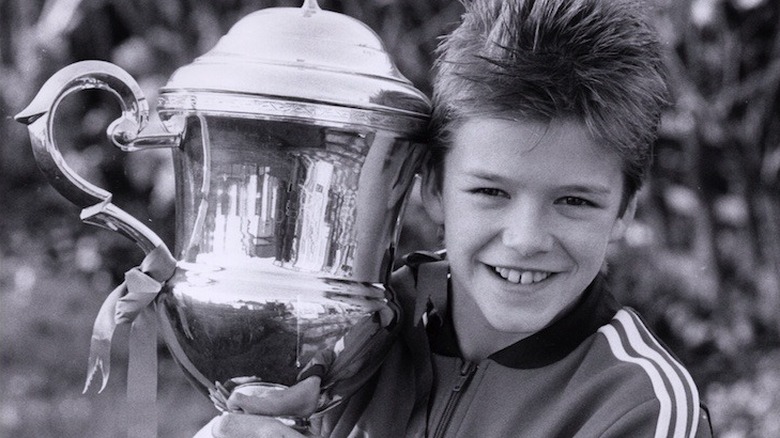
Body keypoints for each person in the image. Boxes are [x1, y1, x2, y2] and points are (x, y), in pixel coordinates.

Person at [199, 0, 714, 436]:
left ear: (624, 211)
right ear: (432, 187)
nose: (526, 239)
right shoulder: (350, 332)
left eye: (575, 201)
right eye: (491, 191)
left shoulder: (638, 406)